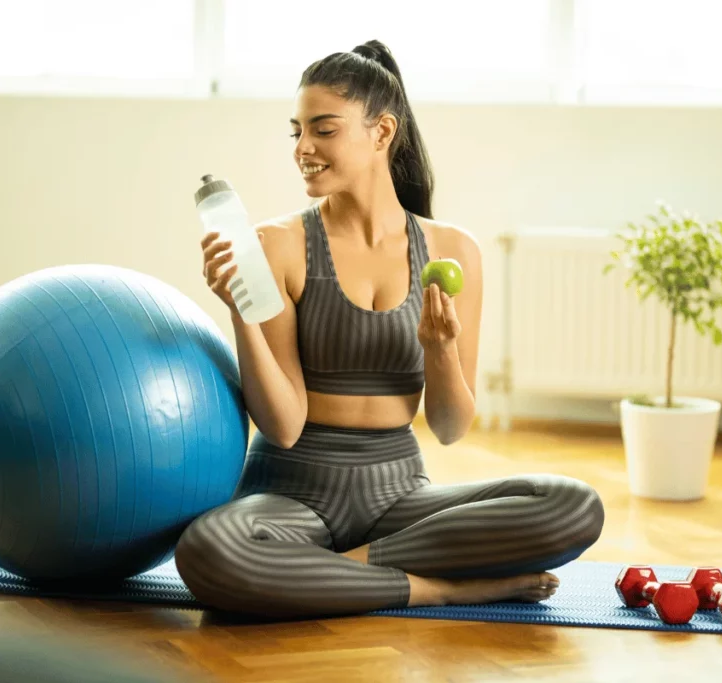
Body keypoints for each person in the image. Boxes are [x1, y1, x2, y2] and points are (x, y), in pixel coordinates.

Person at [174, 40, 604, 620]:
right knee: (209, 551)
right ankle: (438, 589)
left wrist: (440, 350)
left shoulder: (454, 250)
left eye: (323, 130)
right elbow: (283, 424)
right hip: (291, 494)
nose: (303, 148)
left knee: (572, 507)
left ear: (381, 132)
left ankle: (328, 573)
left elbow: (450, 427)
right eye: (296, 131)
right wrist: (239, 311)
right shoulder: (276, 245)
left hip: (398, 496)